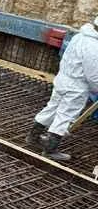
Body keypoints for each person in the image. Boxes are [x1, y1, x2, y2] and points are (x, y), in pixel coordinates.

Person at [26, 16, 98, 161]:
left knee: (51, 108)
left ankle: (33, 138)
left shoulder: (79, 36)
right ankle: (50, 150)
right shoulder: (93, 47)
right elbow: (93, 75)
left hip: (63, 79)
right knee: (65, 116)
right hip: (76, 86)